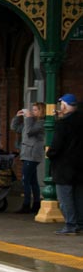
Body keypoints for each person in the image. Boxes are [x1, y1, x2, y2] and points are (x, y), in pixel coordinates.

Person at [47, 94, 83, 235]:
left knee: (65, 197)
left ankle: (70, 224)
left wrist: (50, 154)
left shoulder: (62, 125)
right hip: (80, 166)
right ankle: (80, 223)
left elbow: (56, 146)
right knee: (79, 196)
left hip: (64, 166)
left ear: (64, 105)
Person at [11, 102, 45, 213]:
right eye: (33, 109)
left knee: (25, 180)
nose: (33, 112)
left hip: (32, 154)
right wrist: (17, 116)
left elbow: (30, 131)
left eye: (36, 110)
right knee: (33, 180)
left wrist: (29, 118)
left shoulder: (41, 123)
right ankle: (36, 204)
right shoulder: (30, 122)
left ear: (41, 111)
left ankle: (26, 204)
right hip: (26, 153)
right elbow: (15, 128)